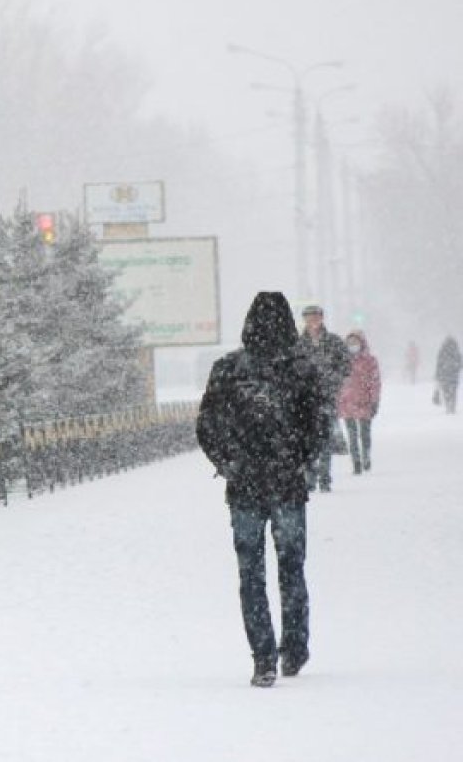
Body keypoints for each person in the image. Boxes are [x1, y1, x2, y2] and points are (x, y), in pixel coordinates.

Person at [197, 292, 327, 688]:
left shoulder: (228, 369)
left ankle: (263, 657)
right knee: (292, 568)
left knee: (250, 573)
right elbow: (318, 426)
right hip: (287, 485)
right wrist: (299, 460)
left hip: (245, 487)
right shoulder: (302, 369)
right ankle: (295, 647)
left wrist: (229, 462)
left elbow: (207, 426)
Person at [295, 305, 350, 492]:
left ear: (322, 318)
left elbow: (345, 366)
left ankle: (325, 478)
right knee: (307, 441)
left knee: (325, 439)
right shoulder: (297, 344)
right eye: (309, 318)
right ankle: (310, 478)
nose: (312, 322)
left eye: (315, 317)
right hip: (304, 401)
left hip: (327, 397)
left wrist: (332, 380)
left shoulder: (334, 341)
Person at [338, 331, 381, 474]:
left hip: (364, 401)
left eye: (355, 343)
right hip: (346, 402)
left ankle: (366, 456)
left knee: (364, 433)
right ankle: (356, 461)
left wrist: (374, 400)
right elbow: (336, 381)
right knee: (351, 434)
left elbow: (375, 382)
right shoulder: (341, 360)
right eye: (350, 343)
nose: (353, 346)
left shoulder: (370, 361)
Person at [435, 336, 462, 414]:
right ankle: (452, 406)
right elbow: (460, 364)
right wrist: (455, 368)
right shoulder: (456, 351)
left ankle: (448, 405)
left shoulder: (443, 351)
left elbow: (439, 363)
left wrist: (438, 374)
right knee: (453, 391)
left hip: (444, 375)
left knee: (446, 390)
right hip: (454, 376)